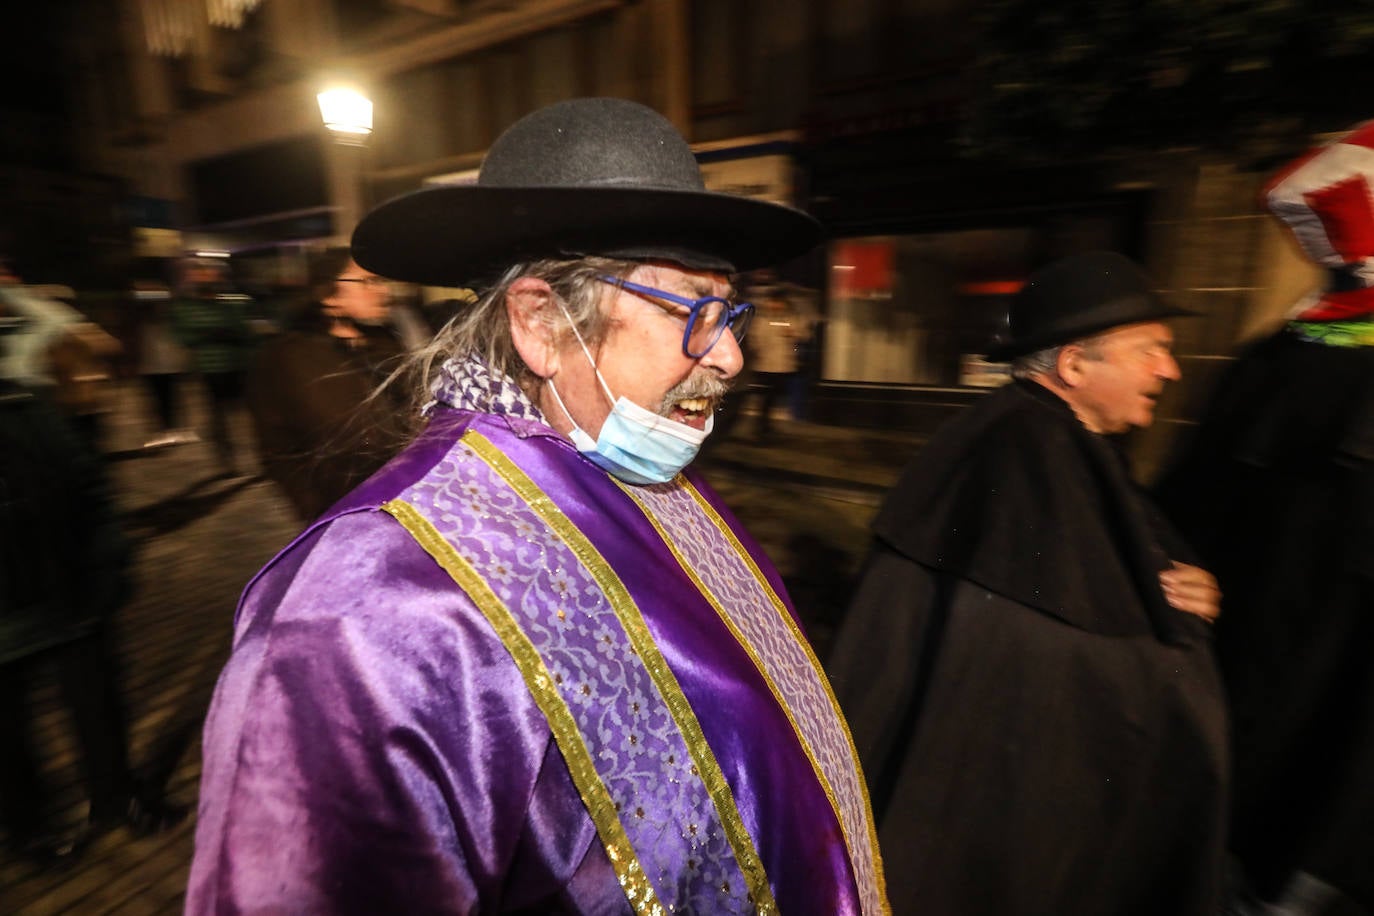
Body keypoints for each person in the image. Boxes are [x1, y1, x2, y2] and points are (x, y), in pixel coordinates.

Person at [187, 97, 887, 914]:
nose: (729, 355)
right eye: (691, 311)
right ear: (541, 322)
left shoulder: (653, 485)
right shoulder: (365, 606)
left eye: (730, 312)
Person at [826, 250, 1228, 916]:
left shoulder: (1048, 439)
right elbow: (1045, 669)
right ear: (1073, 366)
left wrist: (1185, 593)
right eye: (1150, 350)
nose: (1170, 370)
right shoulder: (1025, 457)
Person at [1154, 122, 1374, 916]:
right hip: (1327, 802)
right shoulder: (1307, 364)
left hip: (1231, 751)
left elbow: (1174, 523)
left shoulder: (1271, 364)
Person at [246, 246, 408, 522]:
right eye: (368, 282)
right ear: (328, 295)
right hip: (343, 510)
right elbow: (281, 449)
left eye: (382, 281)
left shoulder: (385, 343)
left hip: (405, 499)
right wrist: (316, 508)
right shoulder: (289, 357)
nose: (383, 291)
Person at [172, 257, 253, 474]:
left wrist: (217, 333)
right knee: (218, 416)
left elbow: (244, 331)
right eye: (200, 272)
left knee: (248, 413)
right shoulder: (186, 306)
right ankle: (226, 459)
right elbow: (185, 336)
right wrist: (218, 333)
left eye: (210, 272)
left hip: (238, 365)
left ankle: (257, 454)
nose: (206, 275)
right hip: (210, 369)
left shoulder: (232, 302)